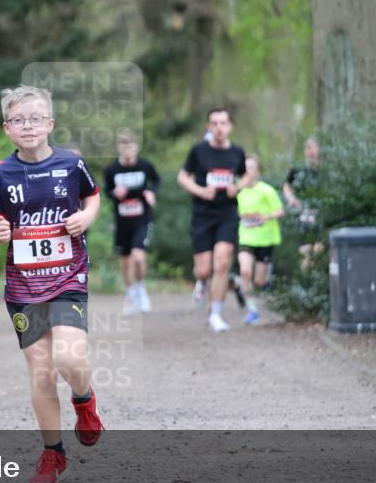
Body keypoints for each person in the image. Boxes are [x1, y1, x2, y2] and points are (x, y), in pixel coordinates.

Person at [0, 85, 104, 483]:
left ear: (49, 124)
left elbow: (93, 199)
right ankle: (53, 454)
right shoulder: (1, 173)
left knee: (70, 360)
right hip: (22, 286)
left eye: (36, 119)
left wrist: (86, 219)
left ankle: (85, 401)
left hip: (68, 276)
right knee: (40, 373)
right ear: (7, 128)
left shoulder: (71, 164)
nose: (28, 126)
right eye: (19, 120)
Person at [177, 108, 248, 333]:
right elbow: (182, 176)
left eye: (223, 123)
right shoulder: (199, 151)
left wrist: (237, 187)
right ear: (209, 127)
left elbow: (246, 175)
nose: (219, 128)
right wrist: (199, 191)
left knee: (223, 261)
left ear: (230, 126)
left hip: (227, 213)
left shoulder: (237, 152)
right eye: (214, 123)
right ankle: (201, 280)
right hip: (202, 215)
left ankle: (215, 314)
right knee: (204, 270)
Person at [103, 130, 161, 315]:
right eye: (123, 147)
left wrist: (151, 192)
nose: (127, 150)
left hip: (142, 219)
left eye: (130, 146)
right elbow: (106, 190)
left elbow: (157, 180)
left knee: (138, 256)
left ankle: (141, 289)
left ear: (136, 147)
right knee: (126, 262)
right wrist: (114, 193)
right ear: (119, 148)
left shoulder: (145, 166)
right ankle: (130, 295)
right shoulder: (112, 170)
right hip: (122, 221)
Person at [236, 156, 284, 324]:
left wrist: (267, 216)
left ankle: (242, 283)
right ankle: (252, 311)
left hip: (265, 239)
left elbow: (280, 211)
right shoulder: (238, 190)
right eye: (245, 167)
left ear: (258, 172)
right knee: (245, 271)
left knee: (259, 281)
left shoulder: (267, 190)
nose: (248, 170)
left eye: (252, 167)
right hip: (246, 237)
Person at [283, 137, 322, 270]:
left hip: (321, 215)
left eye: (313, 148)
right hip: (304, 214)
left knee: (318, 250)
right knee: (305, 251)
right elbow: (287, 186)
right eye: (308, 148)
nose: (311, 151)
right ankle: (306, 283)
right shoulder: (297, 169)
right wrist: (291, 199)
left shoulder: (325, 170)